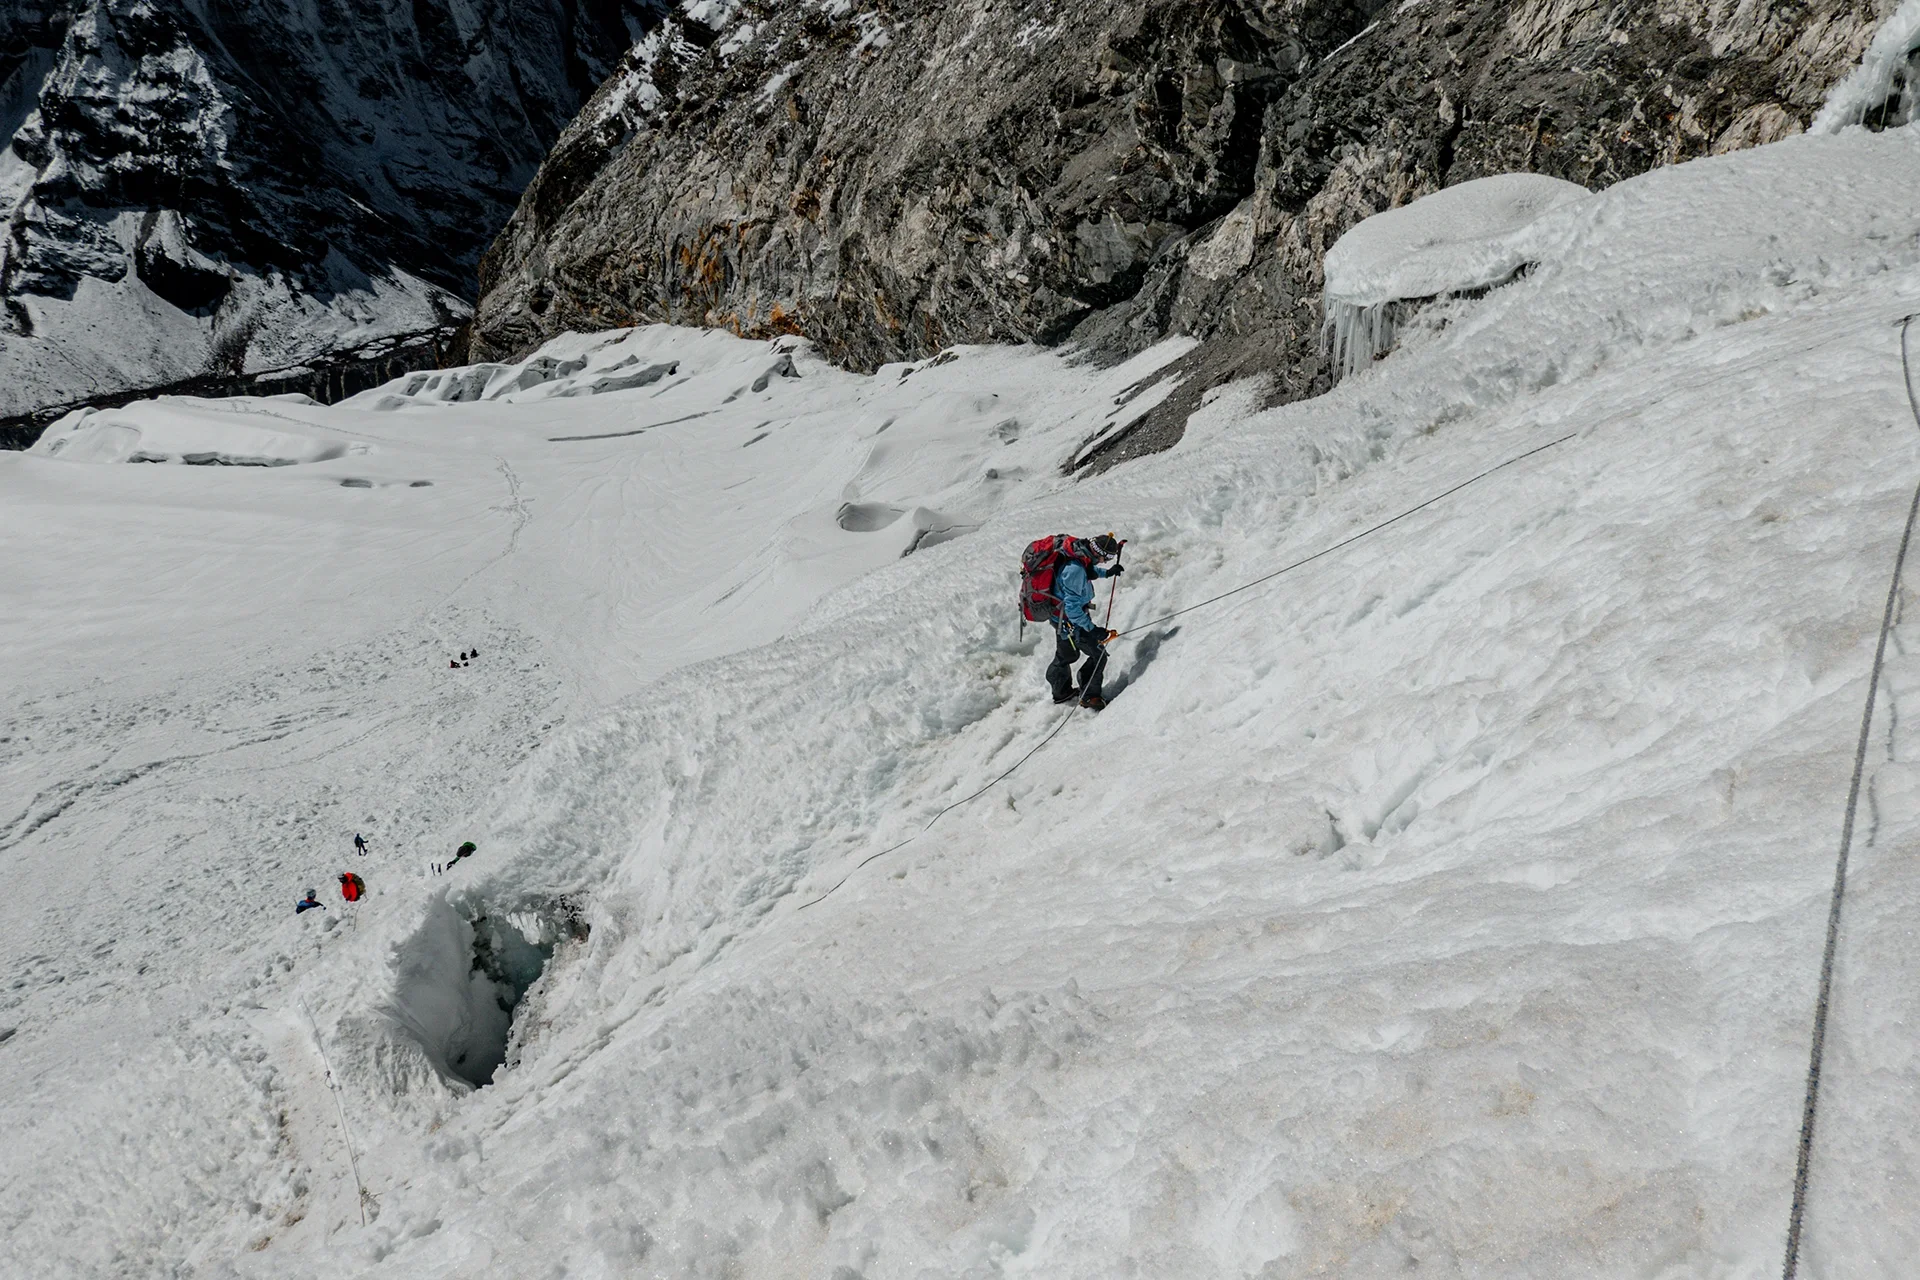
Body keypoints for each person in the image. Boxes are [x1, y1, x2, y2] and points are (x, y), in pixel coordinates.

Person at [1046, 533, 1123, 710]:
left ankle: (1061, 692)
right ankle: (1089, 696)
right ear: (1097, 552)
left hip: (1061, 619)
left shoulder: (1080, 556)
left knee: (1067, 655)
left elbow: (1089, 571)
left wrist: (1107, 573)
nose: (1105, 561)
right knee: (1098, 655)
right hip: (1072, 623)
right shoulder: (1075, 569)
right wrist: (1092, 629)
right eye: (1107, 558)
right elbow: (1072, 608)